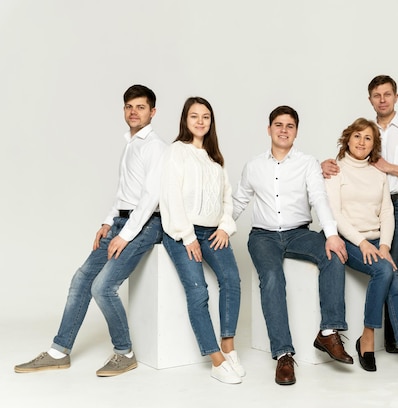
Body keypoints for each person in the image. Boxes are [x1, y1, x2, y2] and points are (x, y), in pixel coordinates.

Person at [15, 85, 167, 377]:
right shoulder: (131, 144)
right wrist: (108, 222)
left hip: (146, 224)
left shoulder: (156, 147)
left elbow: (150, 198)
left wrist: (126, 235)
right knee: (81, 279)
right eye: (129, 107)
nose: (134, 112)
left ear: (153, 112)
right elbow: (123, 193)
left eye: (141, 107)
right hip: (123, 221)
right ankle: (59, 351)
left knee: (103, 287)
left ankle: (125, 353)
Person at [232, 105, 353, 386]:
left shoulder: (308, 163)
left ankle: (327, 332)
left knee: (333, 255)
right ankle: (284, 354)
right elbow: (239, 201)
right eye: (278, 124)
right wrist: (223, 229)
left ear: (296, 131)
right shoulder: (254, 165)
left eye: (289, 125)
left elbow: (319, 198)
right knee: (272, 277)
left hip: (299, 232)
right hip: (263, 236)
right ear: (269, 129)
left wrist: (332, 234)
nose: (283, 130)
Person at [322, 75, 398, 353]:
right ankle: (376, 338)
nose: (382, 99)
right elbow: (334, 199)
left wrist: (389, 167)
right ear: (370, 99)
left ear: (396, 96)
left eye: (387, 94)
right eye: (376, 95)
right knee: (387, 269)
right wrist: (321, 164)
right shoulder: (354, 148)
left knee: (396, 267)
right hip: (360, 217)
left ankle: (396, 342)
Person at [159, 97, 244, 384]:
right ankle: (216, 360)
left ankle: (229, 347)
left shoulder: (215, 157)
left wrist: (224, 227)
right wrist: (188, 236)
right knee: (198, 291)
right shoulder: (176, 152)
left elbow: (226, 198)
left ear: (211, 122)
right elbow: (171, 196)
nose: (200, 121)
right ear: (185, 120)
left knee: (232, 280)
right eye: (194, 116)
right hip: (182, 234)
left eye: (205, 116)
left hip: (213, 232)